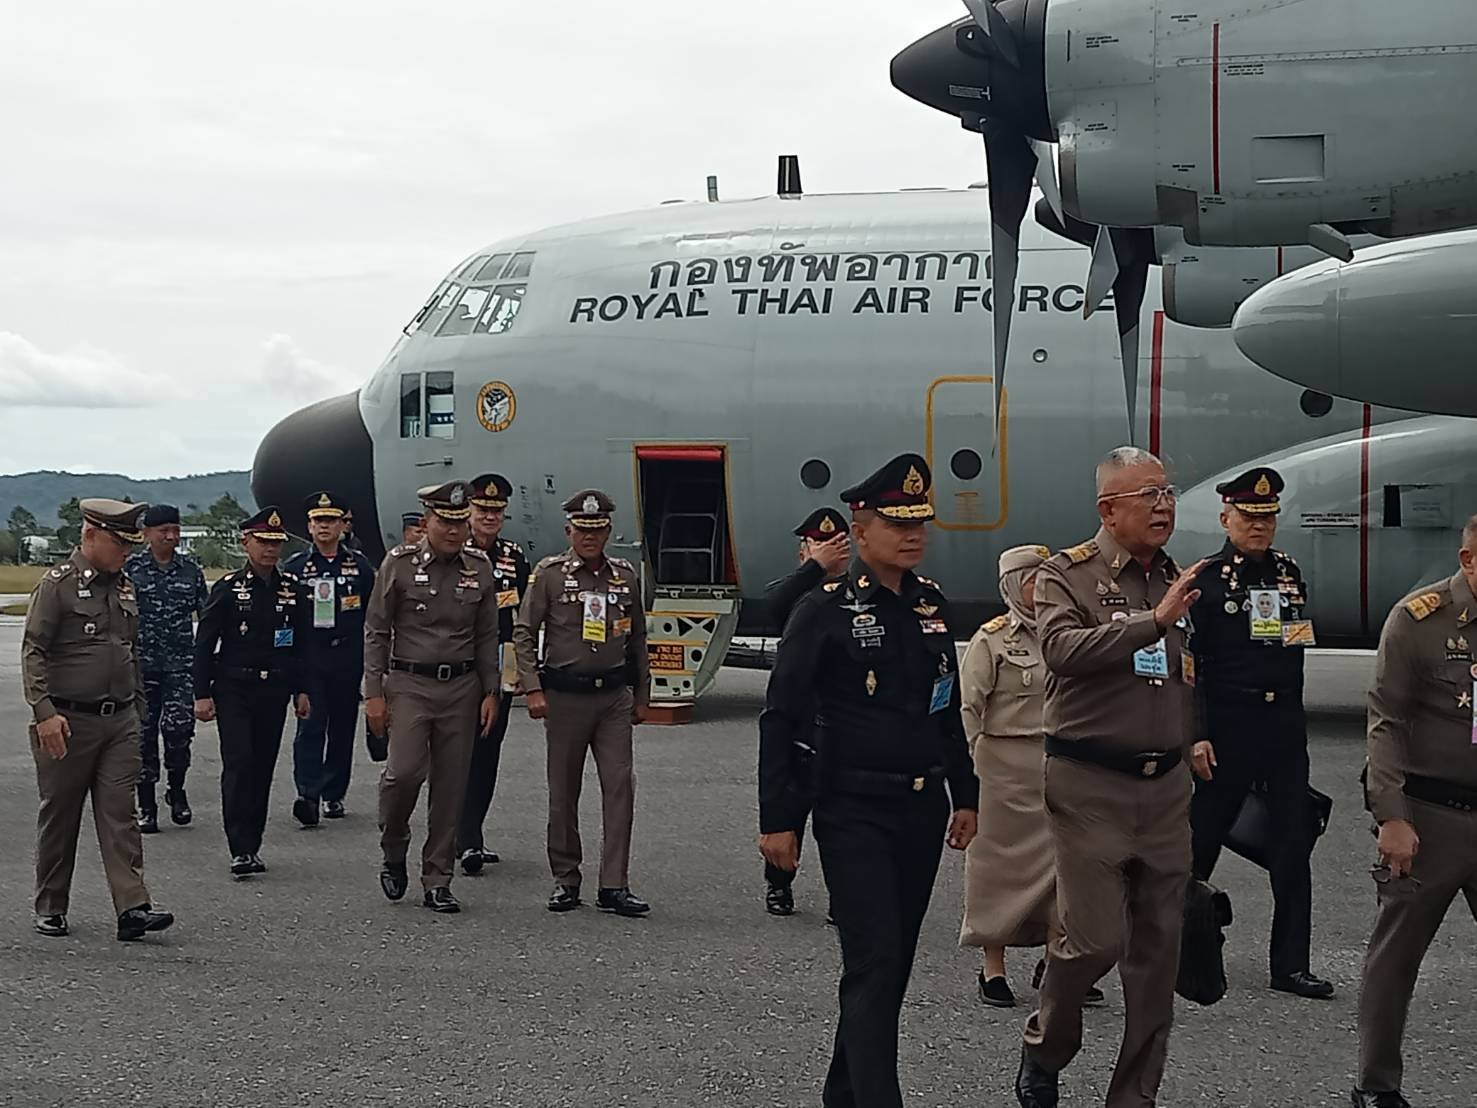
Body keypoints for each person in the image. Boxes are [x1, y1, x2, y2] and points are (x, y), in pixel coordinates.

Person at [758, 454, 978, 1108]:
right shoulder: (823, 611)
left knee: (889, 967)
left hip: (918, 810)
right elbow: (781, 717)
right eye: (897, 524)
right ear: (859, 529)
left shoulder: (930, 605)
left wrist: (965, 794)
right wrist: (779, 821)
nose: (913, 535)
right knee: (874, 961)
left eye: (919, 523)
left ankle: (844, 1095)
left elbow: (945, 706)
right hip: (852, 809)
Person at [1015, 447, 1206, 1108]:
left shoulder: (1176, 577)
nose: (1163, 506)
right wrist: (1150, 623)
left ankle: (1134, 1097)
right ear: (1107, 510)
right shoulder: (1064, 574)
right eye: (1147, 495)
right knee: (1094, 941)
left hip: (1164, 790)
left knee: (1157, 959)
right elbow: (1060, 651)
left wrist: (1196, 735)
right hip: (1088, 783)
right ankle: (1046, 1047)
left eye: (1167, 493)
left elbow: (1188, 671)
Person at [1187, 467, 1334, 1000]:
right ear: (1226, 518)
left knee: (1294, 843)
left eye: (1267, 518)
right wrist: (1196, 733)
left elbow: (1294, 649)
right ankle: (1177, 948)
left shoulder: (1289, 572)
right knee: (1200, 842)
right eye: (1249, 517)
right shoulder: (1207, 581)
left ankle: (1291, 965)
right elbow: (1192, 668)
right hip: (1230, 724)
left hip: (1282, 727)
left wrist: (1294, 722)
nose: (1259, 527)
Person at [1352, 516, 1477, 1108]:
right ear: (1468, 560)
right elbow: (1387, 722)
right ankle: (1377, 1086)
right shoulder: (1419, 620)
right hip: (1430, 817)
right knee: (1396, 958)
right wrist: (1392, 816)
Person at [960, 545, 1105, 1010]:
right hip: (1002, 770)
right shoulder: (992, 640)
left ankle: (1055, 963)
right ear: (1010, 586)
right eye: (1031, 580)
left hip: (1059, 764)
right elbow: (968, 708)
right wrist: (971, 767)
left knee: (1064, 869)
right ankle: (993, 967)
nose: (1040, 588)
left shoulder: (1067, 635)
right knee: (995, 869)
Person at [25, 499, 175, 941]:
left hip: (119, 720)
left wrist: (138, 710)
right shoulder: (58, 586)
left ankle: (133, 907)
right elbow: (34, 650)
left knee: (120, 814)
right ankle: (51, 904)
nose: (126, 552)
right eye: (118, 543)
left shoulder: (125, 586)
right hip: (68, 721)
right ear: (90, 535)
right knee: (61, 814)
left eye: (130, 545)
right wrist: (44, 713)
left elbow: (131, 650)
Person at [514, 489, 652, 917]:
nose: (589, 537)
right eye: (582, 530)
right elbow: (524, 632)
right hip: (565, 697)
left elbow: (638, 638)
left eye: (597, 530)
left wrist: (643, 694)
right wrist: (532, 688)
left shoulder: (625, 575)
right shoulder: (550, 574)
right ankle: (566, 878)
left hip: (612, 698)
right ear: (568, 531)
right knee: (563, 791)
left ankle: (614, 884)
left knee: (619, 787)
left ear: (608, 531)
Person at [363, 481, 499, 914]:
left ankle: (438, 878)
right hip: (410, 684)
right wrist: (373, 694)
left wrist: (491, 690)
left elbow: (487, 635)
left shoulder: (479, 567)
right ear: (427, 522)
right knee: (403, 774)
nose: (454, 531)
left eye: (460, 523)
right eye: (445, 522)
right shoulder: (399, 564)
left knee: (451, 785)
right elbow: (376, 631)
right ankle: (394, 844)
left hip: (461, 686)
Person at [193, 508, 311, 879]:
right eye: (263, 542)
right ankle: (239, 846)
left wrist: (302, 689)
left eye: (276, 543)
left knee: (262, 766)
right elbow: (204, 644)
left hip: (273, 689)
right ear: (246, 542)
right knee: (240, 762)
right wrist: (201, 693)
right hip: (234, 688)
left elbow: (302, 646)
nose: (270, 549)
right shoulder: (229, 589)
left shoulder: (293, 589)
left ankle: (253, 844)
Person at [762, 505, 850, 916]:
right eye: (819, 544)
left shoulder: (859, 593)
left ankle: (843, 895)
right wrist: (815, 568)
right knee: (790, 806)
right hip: (798, 716)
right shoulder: (797, 590)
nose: (829, 551)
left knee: (841, 821)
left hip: (841, 719)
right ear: (803, 551)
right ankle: (778, 883)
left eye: (836, 545)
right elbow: (771, 609)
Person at [283, 491, 375, 826]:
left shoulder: (359, 566)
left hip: (347, 656)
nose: (324, 526)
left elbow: (373, 615)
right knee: (310, 726)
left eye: (331, 520)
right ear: (309, 526)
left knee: (341, 727)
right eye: (318, 521)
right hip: (310, 657)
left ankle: (333, 793)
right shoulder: (295, 568)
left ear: (342, 525)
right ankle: (308, 794)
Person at [457, 473, 530, 874]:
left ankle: (472, 835)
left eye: (496, 511)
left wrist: (520, 672)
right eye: (483, 509)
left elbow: (521, 618)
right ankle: (456, 834)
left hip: (499, 665)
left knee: (487, 752)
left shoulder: (512, 557)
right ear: (469, 510)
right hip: (460, 664)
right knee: (456, 753)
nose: (489, 517)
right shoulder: (455, 551)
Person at [124, 503, 208, 833]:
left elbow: (207, 617)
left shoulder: (190, 570)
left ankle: (177, 789)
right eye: (163, 531)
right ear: (147, 534)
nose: (171, 536)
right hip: (141, 668)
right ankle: (146, 803)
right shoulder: (130, 570)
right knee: (142, 736)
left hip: (180, 667)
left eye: (175, 530)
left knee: (179, 731)